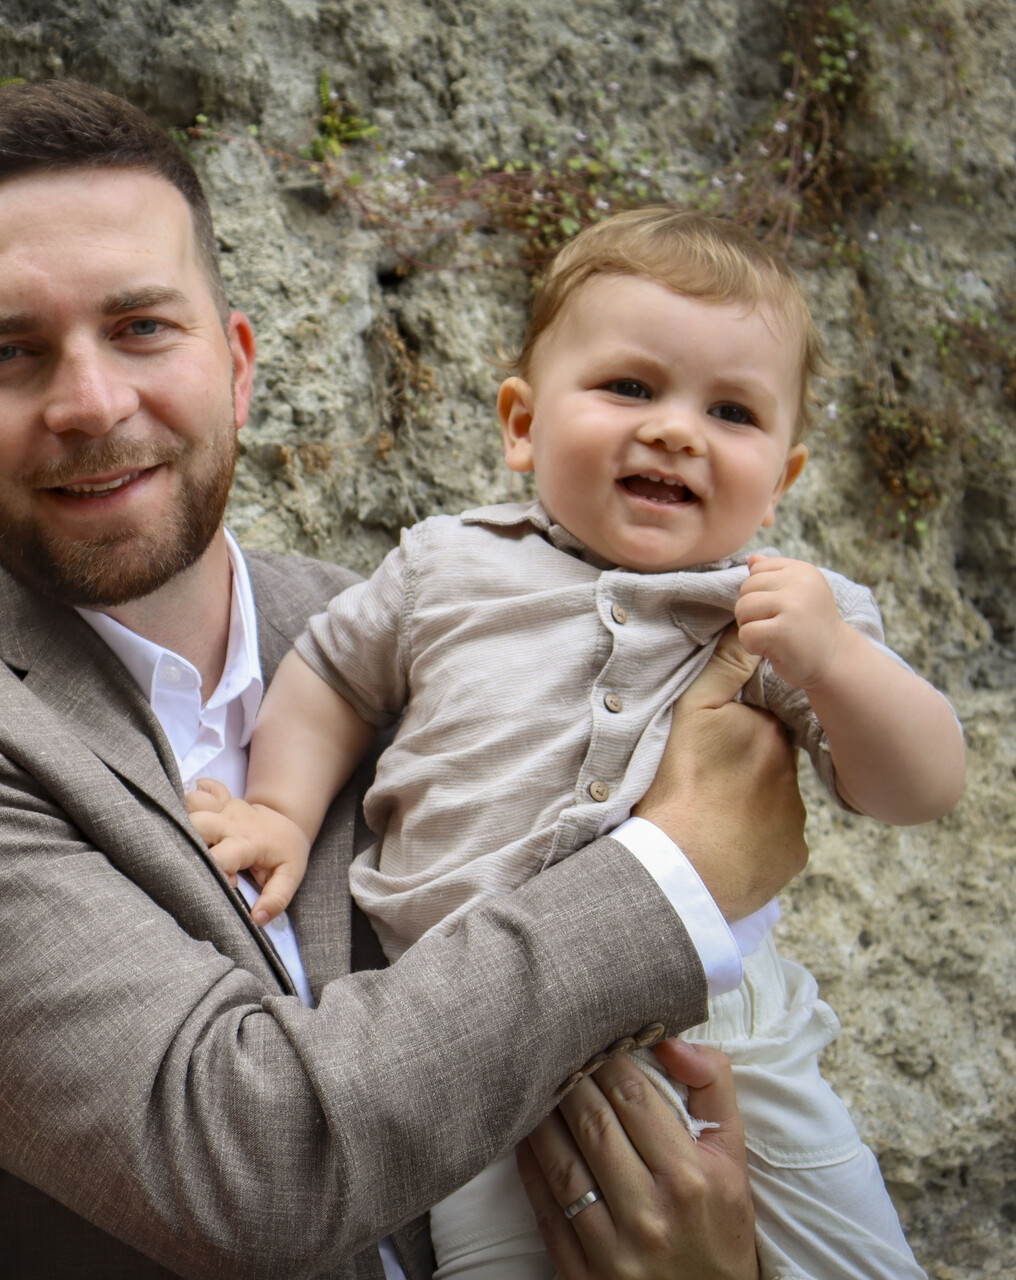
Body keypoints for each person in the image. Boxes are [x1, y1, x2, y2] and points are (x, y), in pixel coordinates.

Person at [0, 81, 811, 1279]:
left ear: (237, 365)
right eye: (9, 353)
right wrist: (676, 870)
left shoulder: (403, 628)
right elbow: (252, 1159)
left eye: (142, 327)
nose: (90, 402)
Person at [194, 208, 956, 1278]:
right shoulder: (445, 567)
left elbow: (920, 785)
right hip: (474, 1040)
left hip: (721, 1032)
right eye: (631, 387)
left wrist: (837, 662)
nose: (677, 430)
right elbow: (329, 676)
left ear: (781, 480)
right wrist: (280, 807)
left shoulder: (771, 609)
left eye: (731, 410)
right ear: (522, 422)